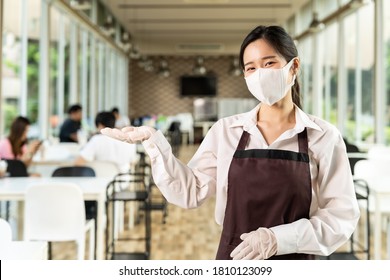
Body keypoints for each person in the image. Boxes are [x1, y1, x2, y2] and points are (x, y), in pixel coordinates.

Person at [101, 25, 360, 260]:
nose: (260, 74)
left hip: (297, 261)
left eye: (269, 63)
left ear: (293, 67)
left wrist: (277, 239)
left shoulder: (323, 136)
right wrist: (155, 144)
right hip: (234, 260)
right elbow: (190, 191)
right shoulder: (226, 131)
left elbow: (341, 217)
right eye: (251, 68)